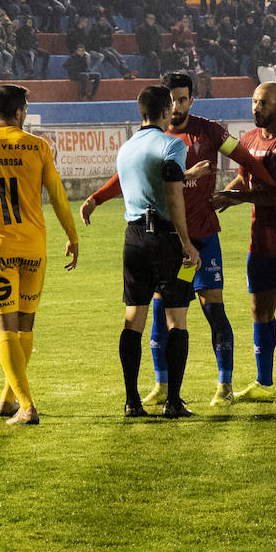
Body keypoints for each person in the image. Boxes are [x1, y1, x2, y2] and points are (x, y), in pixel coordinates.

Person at [81, 71, 276, 408]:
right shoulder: (159, 139)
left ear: (192, 99)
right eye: (171, 99)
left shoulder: (211, 131)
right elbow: (128, 176)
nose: (177, 105)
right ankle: (162, 385)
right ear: (163, 103)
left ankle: (224, 384)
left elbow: (243, 156)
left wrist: (272, 188)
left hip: (201, 238)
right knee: (162, 313)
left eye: (183, 99)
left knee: (212, 309)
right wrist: (98, 197)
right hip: (170, 242)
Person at [0, 84, 79, 426]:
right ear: (19, 111)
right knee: (24, 325)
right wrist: (72, 236)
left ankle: (26, 405)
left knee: (4, 327)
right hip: (33, 248)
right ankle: (8, 399)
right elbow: (57, 194)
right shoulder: (38, 147)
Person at [213, 83, 276, 404]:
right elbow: (244, 180)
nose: (256, 108)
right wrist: (225, 197)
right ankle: (264, 382)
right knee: (260, 310)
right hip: (260, 243)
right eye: (254, 102)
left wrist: (233, 197)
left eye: (264, 103)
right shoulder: (248, 139)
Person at [109, 85, 202, 418]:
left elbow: (144, 184)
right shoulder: (172, 144)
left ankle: (132, 401)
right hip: (164, 239)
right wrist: (187, 243)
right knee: (177, 318)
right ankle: (173, 402)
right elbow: (173, 195)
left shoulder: (126, 148)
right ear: (166, 112)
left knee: (133, 317)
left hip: (133, 238)